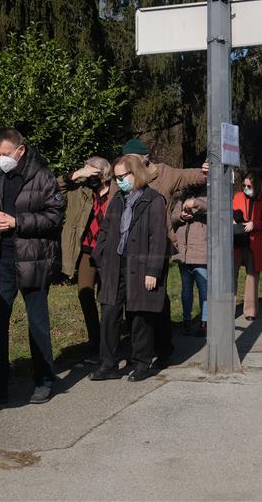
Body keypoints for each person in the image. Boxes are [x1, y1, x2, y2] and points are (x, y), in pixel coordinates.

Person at [0, 128, 65, 405]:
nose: (1, 159)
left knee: (37, 323)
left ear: (20, 151)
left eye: (6, 154)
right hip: (2, 259)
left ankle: (44, 380)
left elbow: (55, 217)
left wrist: (17, 222)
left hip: (34, 258)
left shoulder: (43, 176)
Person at [120, 138, 208, 368]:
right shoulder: (124, 178)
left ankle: (163, 347)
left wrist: (205, 170)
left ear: (144, 158)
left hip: (158, 243)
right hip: (130, 246)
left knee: (157, 296)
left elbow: (192, 176)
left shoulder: (165, 174)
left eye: (132, 160)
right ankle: (144, 347)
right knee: (136, 299)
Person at [90, 154, 168, 382]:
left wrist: (153, 271)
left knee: (139, 318)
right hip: (115, 266)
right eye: (116, 177)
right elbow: (105, 230)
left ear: (136, 174)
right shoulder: (117, 200)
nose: (119, 181)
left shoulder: (153, 200)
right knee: (109, 315)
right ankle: (107, 364)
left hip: (141, 266)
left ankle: (141, 363)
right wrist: (101, 257)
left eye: (122, 176)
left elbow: (158, 238)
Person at [58, 157, 112, 364]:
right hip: (87, 251)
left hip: (108, 252)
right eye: (89, 170)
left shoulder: (116, 193)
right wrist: (77, 174)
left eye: (96, 171)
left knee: (108, 298)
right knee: (85, 293)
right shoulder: (79, 191)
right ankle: (94, 337)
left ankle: (109, 338)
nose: (92, 175)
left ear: (105, 172)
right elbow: (53, 188)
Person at [233, 172, 262, 320]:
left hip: (255, 243)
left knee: (252, 277)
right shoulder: (237, 197)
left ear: (256, 187)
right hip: (237, 241)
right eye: (244, 185)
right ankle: (228, 309)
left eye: (249, 186)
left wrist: (254, 224)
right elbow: (231, 213)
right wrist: (233, 221)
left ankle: (250, 310)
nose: (245, 188)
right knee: (232, 276)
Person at [172, 186, 208, 336]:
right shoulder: (181, 198)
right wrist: (181, 216)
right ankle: (186, 320)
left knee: (204, 289)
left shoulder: (208, 194)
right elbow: (172, 218)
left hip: (201, 252)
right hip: (183, 254)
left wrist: (195, 203)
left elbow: (210, 208)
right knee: (186, 289)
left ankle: (204, 322)